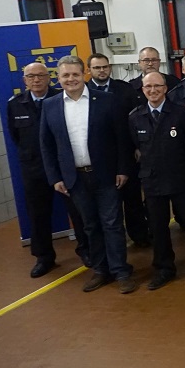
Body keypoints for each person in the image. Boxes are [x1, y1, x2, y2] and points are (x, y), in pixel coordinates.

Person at [39, 55, 136, 294]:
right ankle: (101, 270)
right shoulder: (50, 105)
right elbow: (46, 145)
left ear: (84, 74)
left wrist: (123, 169)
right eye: (65, 75)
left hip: (106, 175)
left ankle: (121, 271)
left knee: (112, 224)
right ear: (58, 78)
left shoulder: (106, 100)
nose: (70, 79)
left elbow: (121, 139)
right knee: (90, 226)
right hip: (74, 178)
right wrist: (55, 178)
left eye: (75, 74)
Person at [128, 71, 185, 289]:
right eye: (148, 87)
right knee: (158, 228)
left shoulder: (182, 113)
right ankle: (164, 268)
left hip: (182, 178)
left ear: (166, 88)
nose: (153, 91)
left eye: (157, 86)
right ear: (142, 90)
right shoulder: (135, 116)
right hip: (152, 179)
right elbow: (137, 147)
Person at [8, 62, 87, 276]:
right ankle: (44, 257)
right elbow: (16, 137)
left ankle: (86, 250)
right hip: (34, 170)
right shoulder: (15, 104)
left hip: (64, 167)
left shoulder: (60, 100)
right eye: (30, 76)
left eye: (40, 76)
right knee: (38, 214)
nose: (36, 80)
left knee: (77, 211)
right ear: (24, 80)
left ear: (49, 78)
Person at [88, 53, 150, 249]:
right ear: (89, 70)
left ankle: (139, 236)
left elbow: (138, 118)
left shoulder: (125, 90)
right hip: (98, 157)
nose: (102, 70)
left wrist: (138, 146)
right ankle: (112, 241)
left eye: (105, 67)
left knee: (132, 199)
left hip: (127, 153)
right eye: (97, 68)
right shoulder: (83, 92)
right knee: (105, 204)